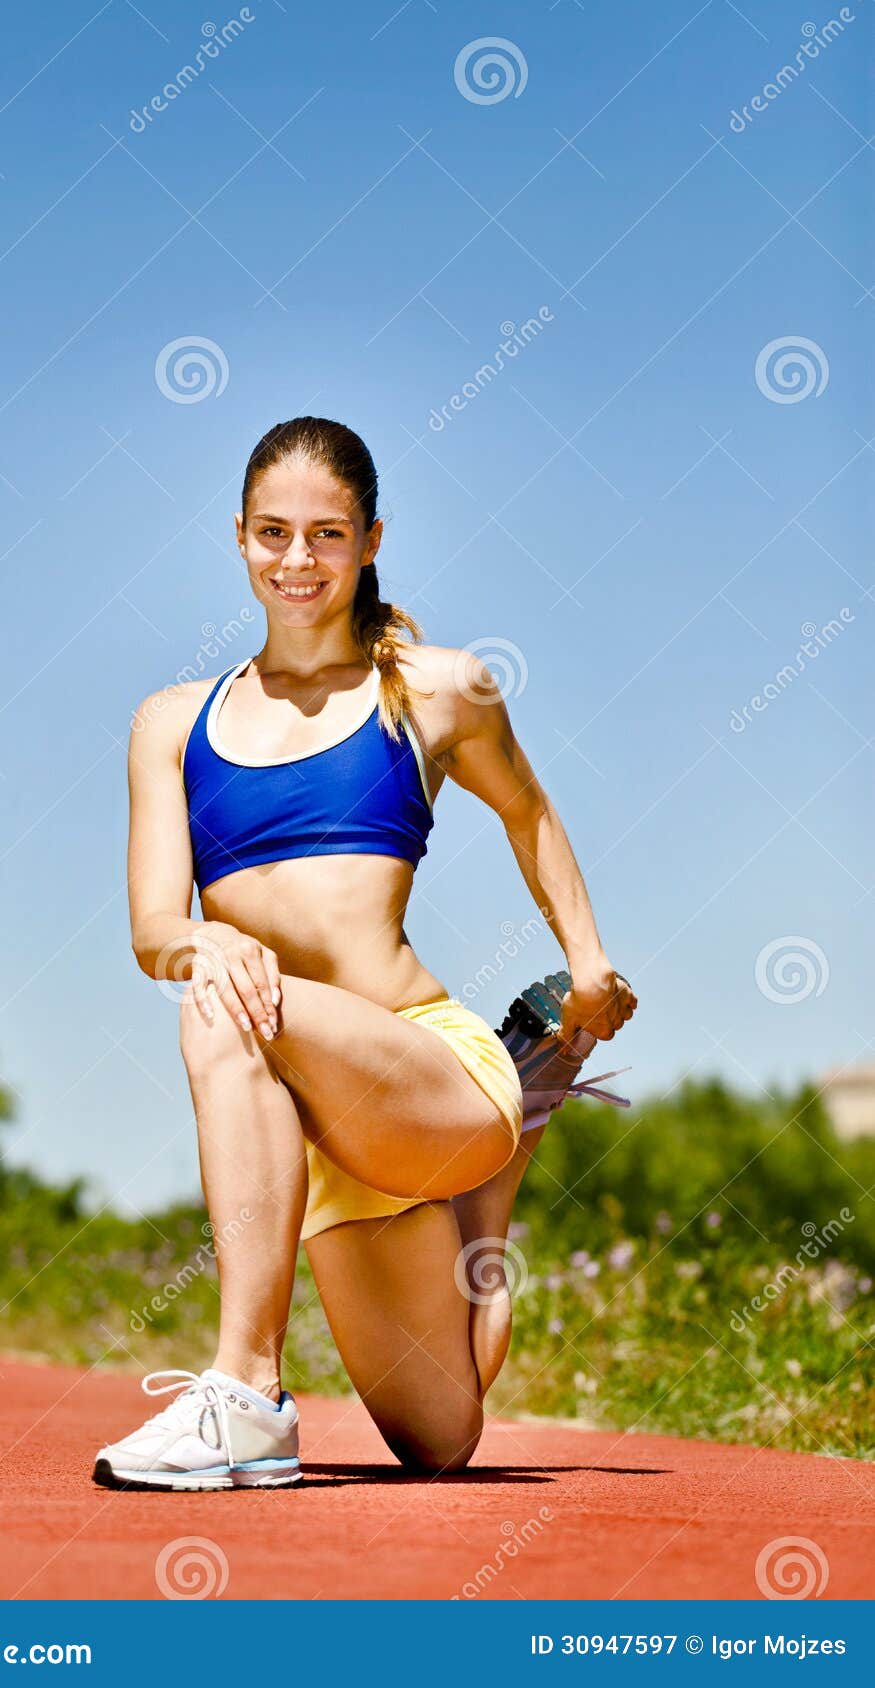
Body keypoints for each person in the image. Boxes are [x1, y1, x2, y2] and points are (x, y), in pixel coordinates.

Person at [95, 417, 636, 1490]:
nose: (297, 561)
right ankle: (495, 1186)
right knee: (441, 1439)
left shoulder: (436, 689)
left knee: (221, 1001)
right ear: (238, 540)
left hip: (423, 1073)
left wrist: (585, 960)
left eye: (326, 534)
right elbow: (155, 930)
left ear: (370, 538)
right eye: (273, 533)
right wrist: (200, 936)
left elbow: (528, 814)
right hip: (325, 1126)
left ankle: (244, 1391)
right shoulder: (170, 722)